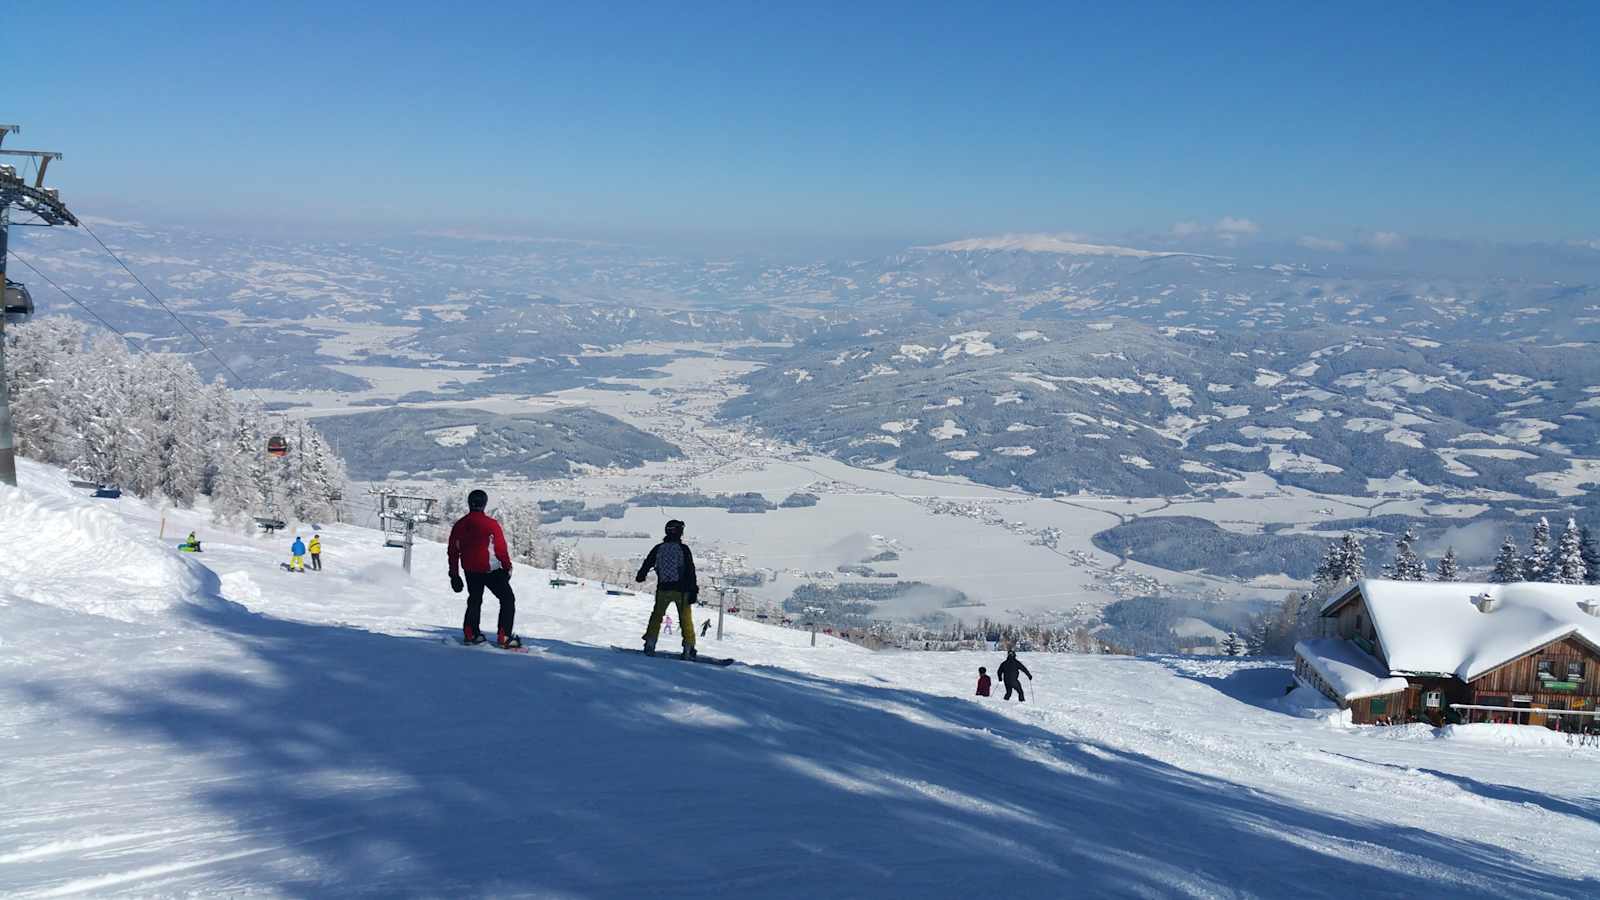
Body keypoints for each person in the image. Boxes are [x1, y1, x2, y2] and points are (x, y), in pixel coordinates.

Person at [448, 489, 520, 648]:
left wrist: (454, 575)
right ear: (484, 504)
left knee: (474, 600)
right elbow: (500, 549)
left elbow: (453, 551)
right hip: (491, 570)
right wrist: (507, 567)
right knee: (507, 599)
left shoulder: (460, 525)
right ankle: (504, 636)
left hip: (470, 570)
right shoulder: (491, 524)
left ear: (470, 503)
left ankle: (471, 633)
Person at [635, 519, 698, 658]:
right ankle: (688, 648)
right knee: (685, 619)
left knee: (656, 616)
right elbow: (690, 571)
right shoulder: (683, 549)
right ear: (680, 532)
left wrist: (641, 575)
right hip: (682, 591)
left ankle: (650, 643)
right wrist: (694, 590)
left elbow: (648, 563)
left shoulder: (659, 548)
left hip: (663, 589)